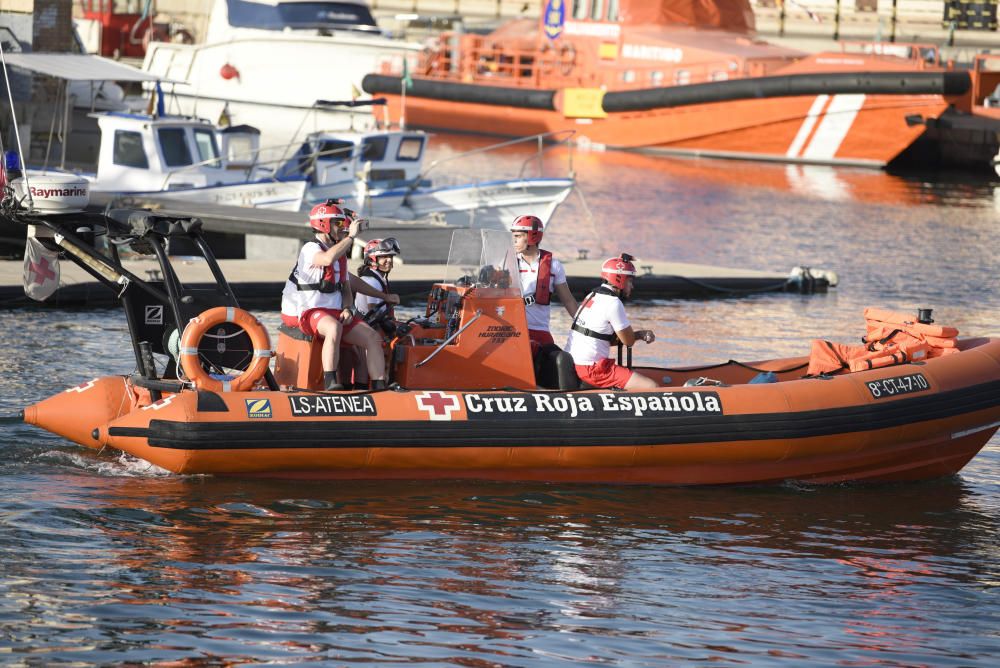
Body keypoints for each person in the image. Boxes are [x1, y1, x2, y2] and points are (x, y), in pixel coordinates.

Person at [280, 201, 399, 391]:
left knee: (372, 336)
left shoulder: (340, 256)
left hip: (335, 311)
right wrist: (351, 236)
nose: (342, 228)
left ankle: (378, 385)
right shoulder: (310, 249)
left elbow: (345, 286)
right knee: (334, 328)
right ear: (323, 224)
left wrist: (347, 307)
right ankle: (331, 382)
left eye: (343, 224)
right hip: (311, 311)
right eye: (338, 224)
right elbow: (326, 259)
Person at [563, 253, 658, 390]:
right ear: (620, 279)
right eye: (630, 281)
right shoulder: (613, 303)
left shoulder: (592, 296)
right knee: (652, 386)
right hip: (593, 369)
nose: (632, 286)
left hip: (575, 363)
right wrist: (641, 334)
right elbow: (628, 341)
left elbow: (603, 337)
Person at [510, 215, 578, 351]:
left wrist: (587, 325)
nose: (514, 240)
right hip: (513, 330)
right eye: (513, 236)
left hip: (540, 330)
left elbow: (568, 301)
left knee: (556, 361)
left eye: (517, 236)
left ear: (532, 236)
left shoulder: (554, 265)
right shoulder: (508, 263)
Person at [355, 237, 401, 332]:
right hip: (369, 331)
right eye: (384, 257)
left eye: (391, 256)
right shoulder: (373, 281)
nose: (389, 260)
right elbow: (373, 313)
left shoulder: (375, 278)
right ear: (372, 260)